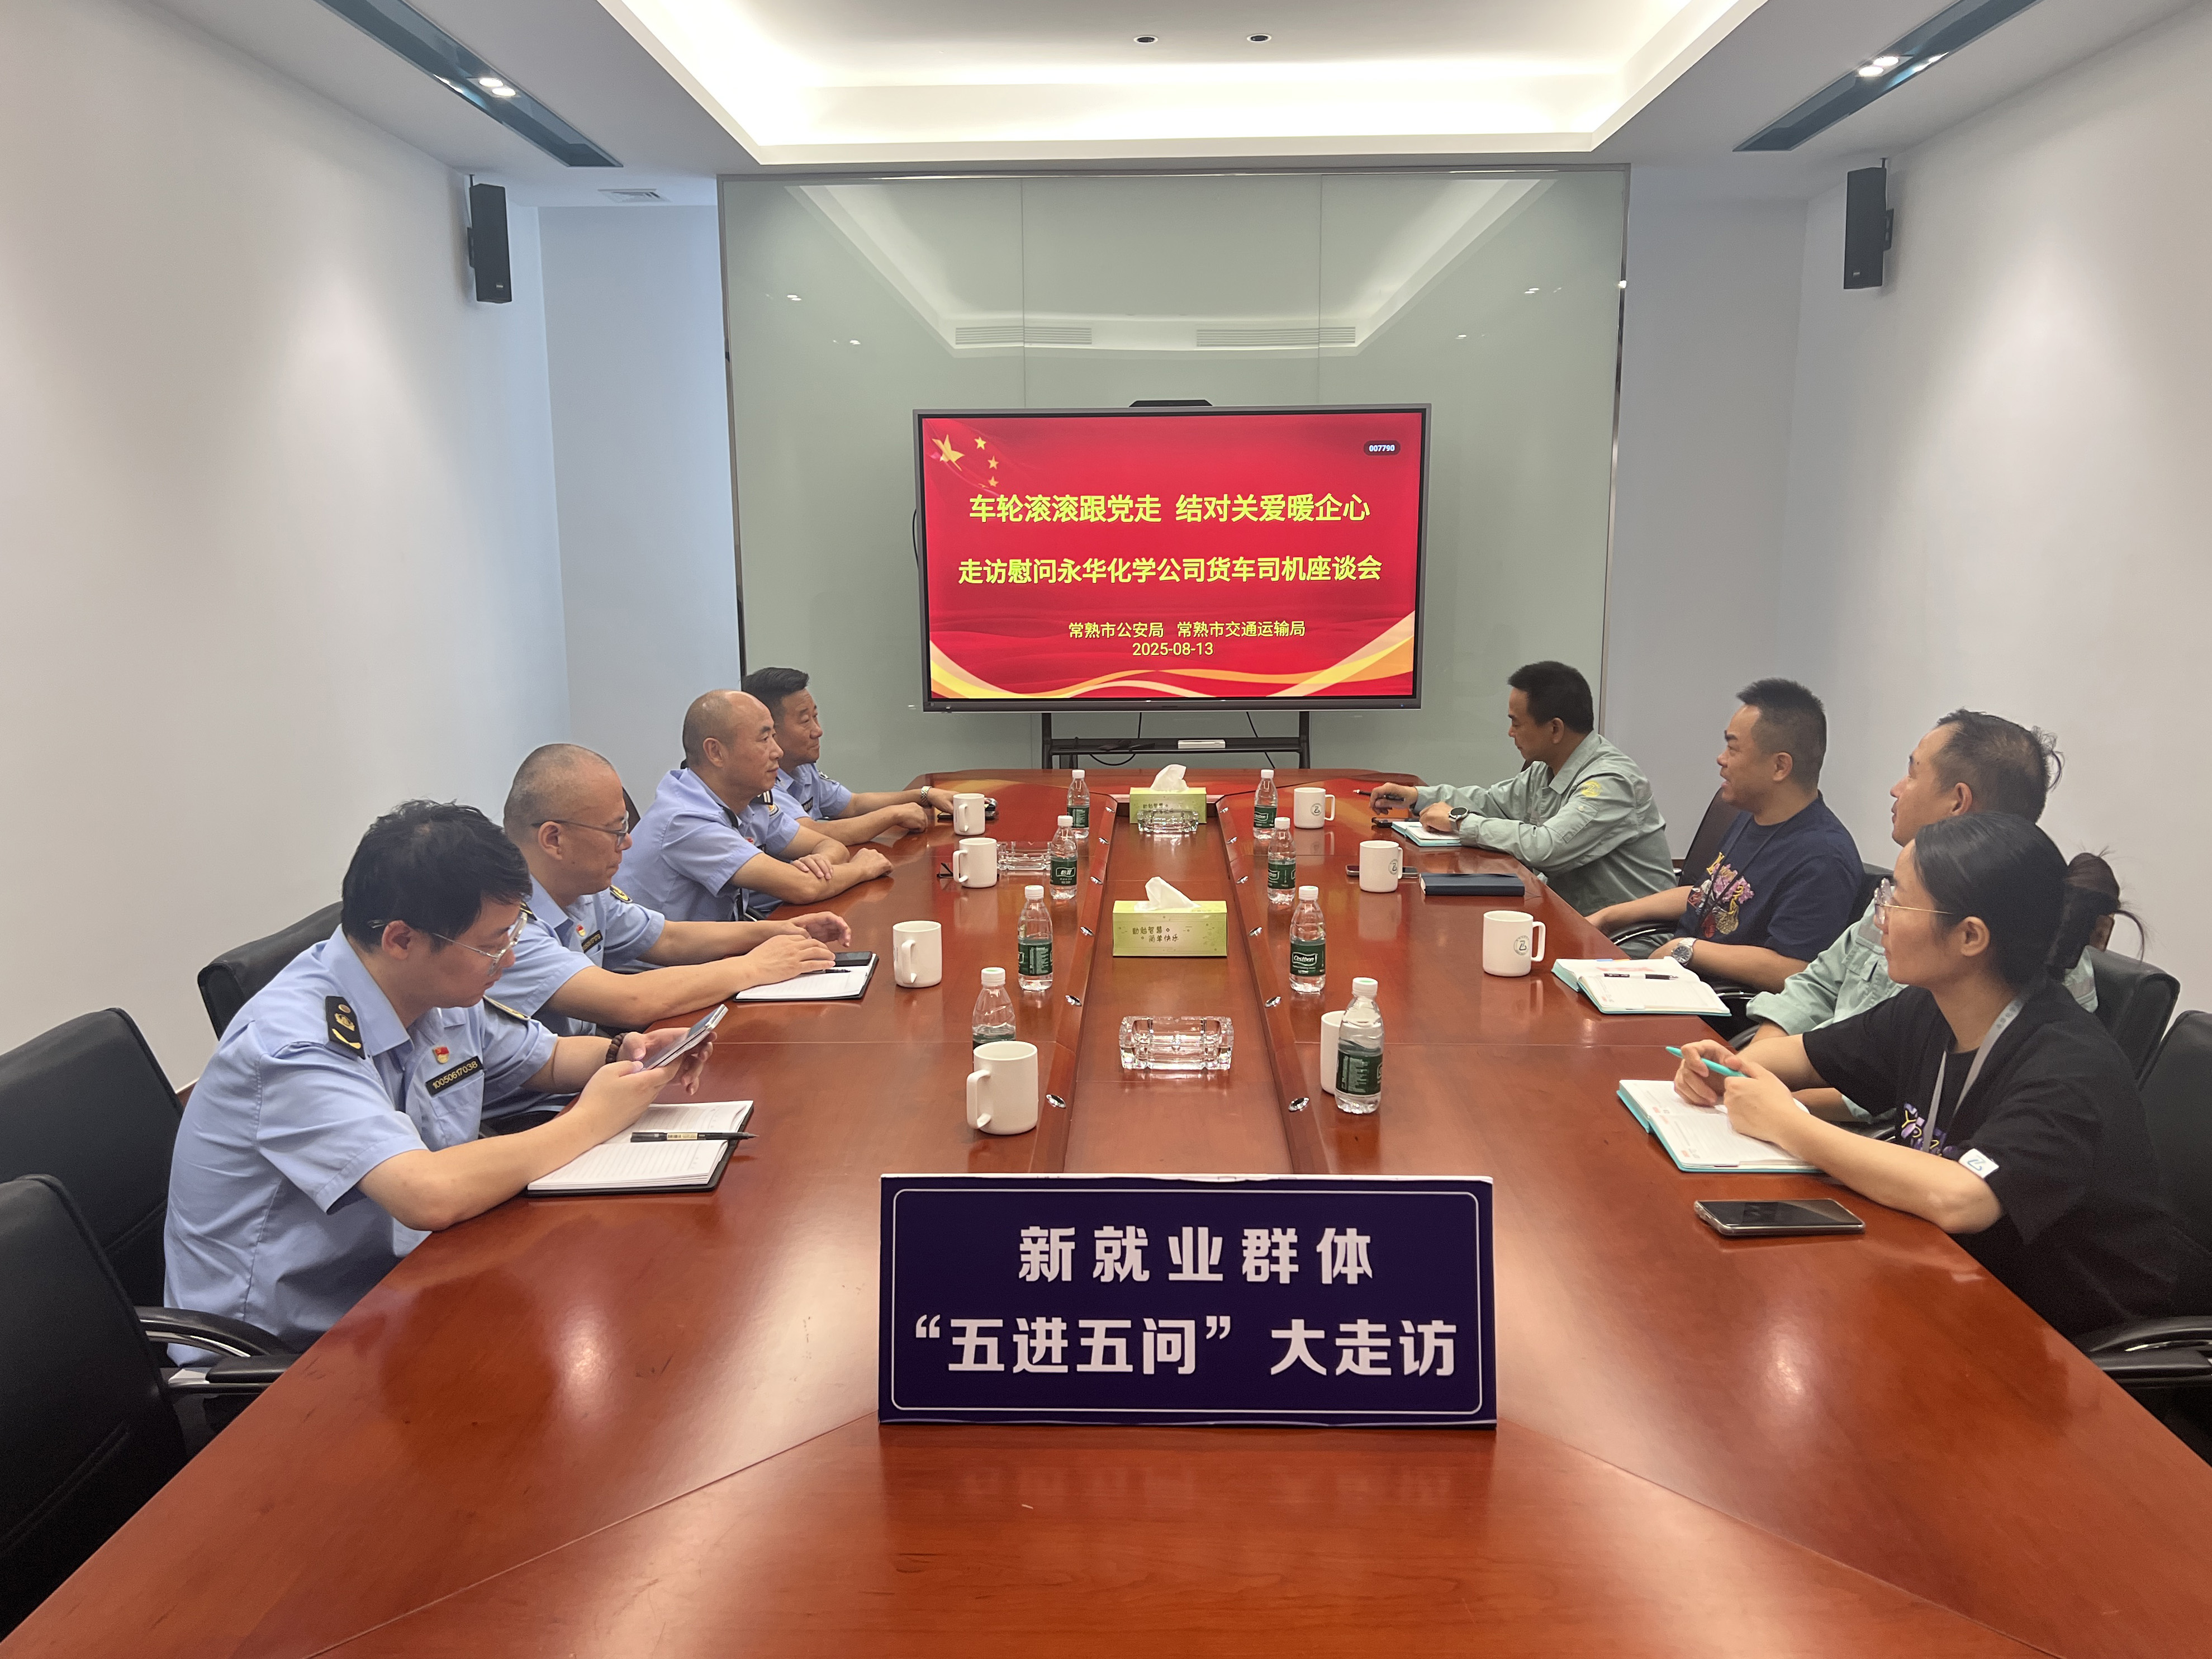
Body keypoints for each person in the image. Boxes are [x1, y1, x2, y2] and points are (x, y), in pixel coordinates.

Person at [163, 802, 706, 1356]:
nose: (508, 960)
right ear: (401, 940)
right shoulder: (293, 1043)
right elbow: (426, 1194)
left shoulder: (432, 990)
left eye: (512, 934)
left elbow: (541, 1059)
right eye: (491, 945)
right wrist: (594, 1119)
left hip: (409, 1288)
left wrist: (622, 1052)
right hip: (284, 1358)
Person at [1671, 813, 2177, 1338]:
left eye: (1899, 899)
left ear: (1970, 936)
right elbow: (1799, 1057)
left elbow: (1963, 1197)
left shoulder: (2071, 1065)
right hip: (1946, 1278)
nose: (1881, 917)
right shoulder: (1931, 1008)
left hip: (2059, 1337)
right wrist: (1725, 1066)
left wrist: (1787, 1124)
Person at [1740, 711, 2105, 1116]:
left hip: (1877, 1133)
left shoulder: (2035, 950)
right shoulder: (1906, 896)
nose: (1896, 789)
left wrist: (1780, 1107)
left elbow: (1913, 1100)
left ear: (1958, 801)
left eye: (1913, 773)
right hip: (1793, 1099)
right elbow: (1819, 986)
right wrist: (1749, 1072)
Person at [498, 742, 849, 1035]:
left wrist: (779, 931)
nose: (628, 842)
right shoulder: (504, 926)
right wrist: (754, 967)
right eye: (615, 831)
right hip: (550, 1094)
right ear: (554, 839)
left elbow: (668, 938)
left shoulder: (585, 890)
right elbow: (629, 1002)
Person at [1587, 679, 1862, 992]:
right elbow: (1705, 894)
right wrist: (1610, 916)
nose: (1722, 758)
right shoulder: (1750, 816)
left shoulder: (1823, 857)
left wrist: (1687, 949)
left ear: (1780, 766)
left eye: (1733, 748)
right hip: (1677, 983)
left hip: (1723, 1006)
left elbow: (1794, 969)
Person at [1366, 661, 1674, 913]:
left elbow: (1548, 847)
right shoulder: (1546, 766)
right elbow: (1493, 802)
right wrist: (1418, 797)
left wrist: (1459, 822)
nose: (1510, 732)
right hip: (1571, 916)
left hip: (1628, 940)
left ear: (1555, 729)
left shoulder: (1611, 781)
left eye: (1517, 723)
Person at [620, 689, 895, 922]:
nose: (778, 751)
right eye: (764, 740)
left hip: (723, 948)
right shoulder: (687, 820)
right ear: (716, 752)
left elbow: (828, 845)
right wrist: (862, 868)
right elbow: (803, 888)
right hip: (670, 966)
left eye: (774, 737)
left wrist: (821, 865)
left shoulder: (749, 800)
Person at [742, 665, 956, 845]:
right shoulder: (761, 783)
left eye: (815, 717)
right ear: (770, 729)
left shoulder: (802, 767)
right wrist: (894, 814)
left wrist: (925, 794)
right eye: (806, 721)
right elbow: (812, 835)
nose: (818, 731)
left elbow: (853, 805)